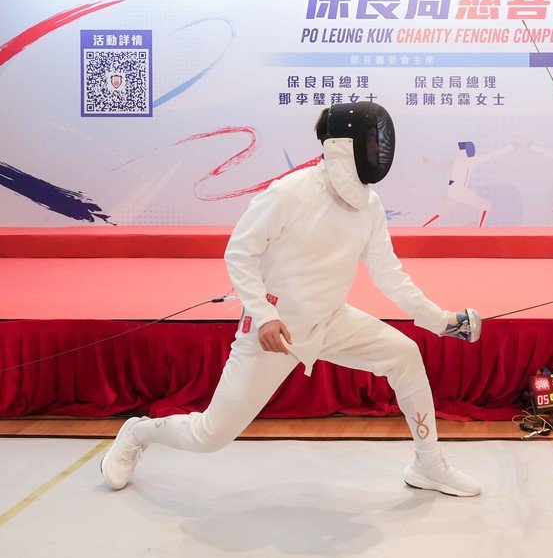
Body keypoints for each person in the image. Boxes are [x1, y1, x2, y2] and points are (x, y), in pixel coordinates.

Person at [101, 102, 483, 497]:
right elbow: (240, 252)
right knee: (211, 435)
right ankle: (137, 433)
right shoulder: (289, 192)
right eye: (371, 141)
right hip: (276, 330)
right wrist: (264, 315)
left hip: (332, 319)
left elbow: (389, 274)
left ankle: (427, 464)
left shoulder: (369, 205)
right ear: (344, 145)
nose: (377, 150)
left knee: (404, 355)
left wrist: (440, 320)